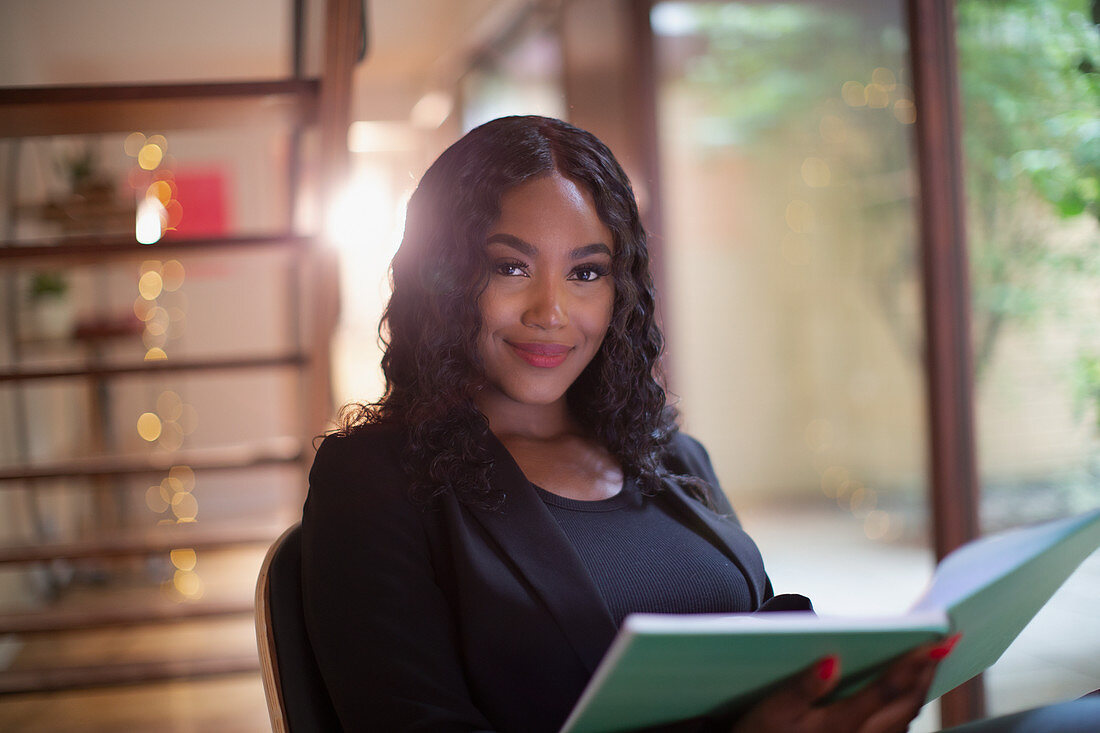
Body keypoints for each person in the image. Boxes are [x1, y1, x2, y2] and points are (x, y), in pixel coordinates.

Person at [300, 115, 953, 732]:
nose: (551, 310)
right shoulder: (372, 482)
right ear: (440, 279)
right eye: (511, 266)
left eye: (586, 272)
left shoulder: (670, 454)